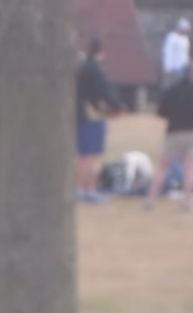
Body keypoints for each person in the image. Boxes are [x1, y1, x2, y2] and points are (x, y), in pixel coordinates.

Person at [145, 61, 193, 210]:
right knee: (190, 169)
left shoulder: (172, 90)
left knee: (162, 167)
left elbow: (161, 111)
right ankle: (187, 202)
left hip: (174, 133)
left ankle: (151, 200)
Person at [75, 37, 123, 203]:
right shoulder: (96, 70)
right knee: (90, 156)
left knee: (81, 156)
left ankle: (79, 189)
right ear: (102, 52)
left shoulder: (80, 68)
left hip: (78, 116)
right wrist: (116, 107)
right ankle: (89, 190)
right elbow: (105, 92)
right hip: (92, 116)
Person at [160, 17, 191, 88]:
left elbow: (186, 55)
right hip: (172, 69)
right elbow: (168, 53)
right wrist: (167, 68)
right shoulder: (172, 37)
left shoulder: (186, 40)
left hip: (182, 69)